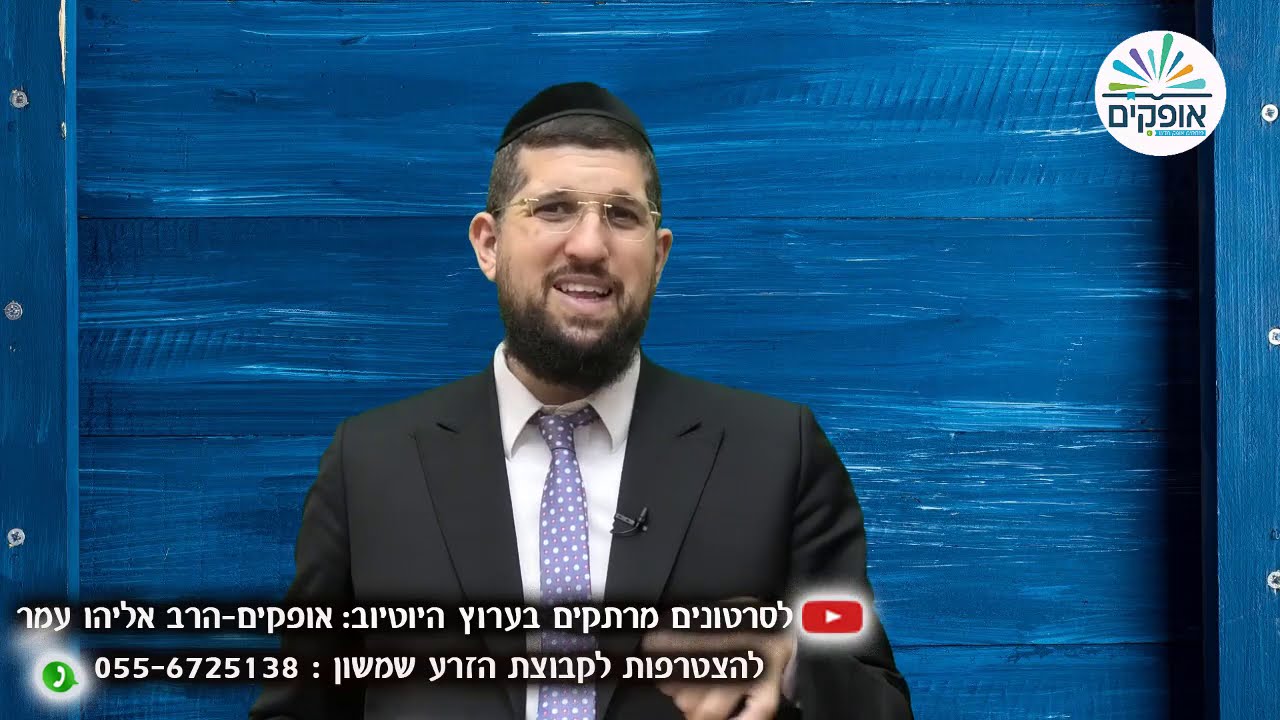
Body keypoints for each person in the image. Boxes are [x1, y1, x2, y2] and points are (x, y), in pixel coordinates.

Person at [249, 81, 912, 720]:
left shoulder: (778, 454)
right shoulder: (369, 465)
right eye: (554, 208)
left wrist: (794, 660)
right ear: (488, 244)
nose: (590, 245)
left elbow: (876, 697)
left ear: (659, 257)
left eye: (622, 216)